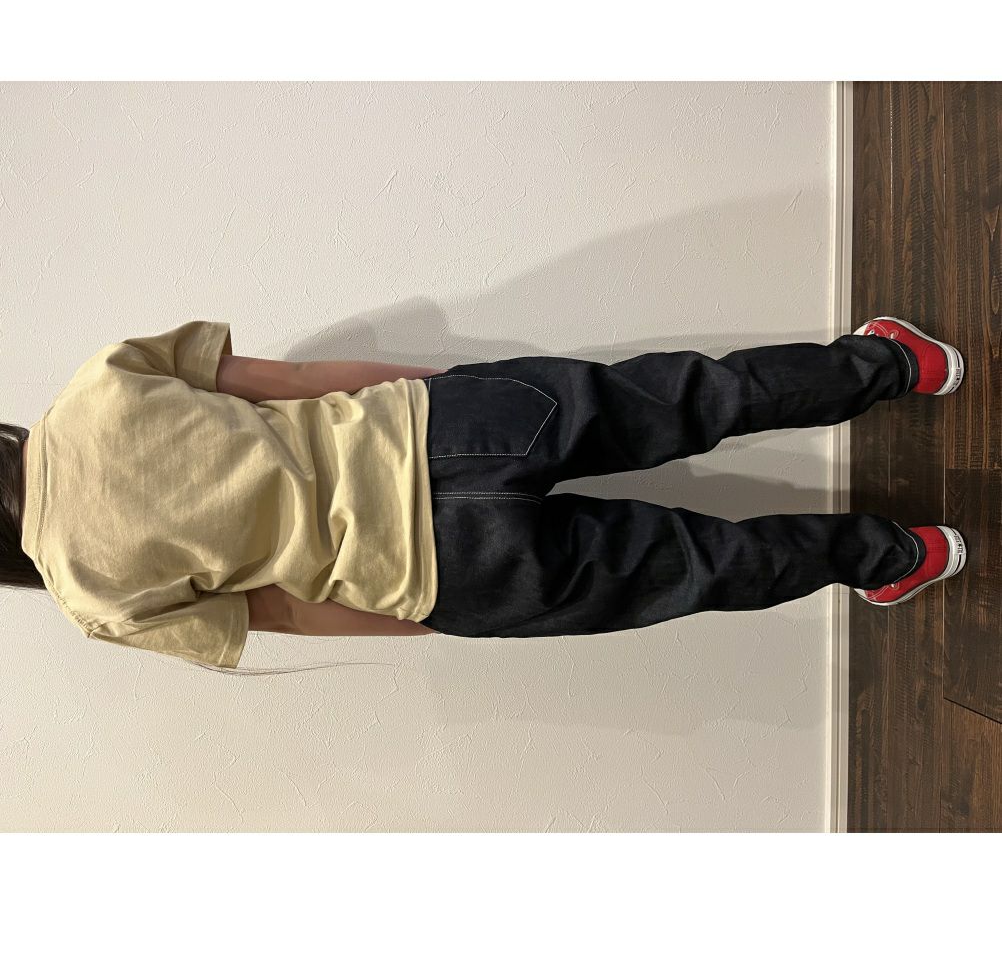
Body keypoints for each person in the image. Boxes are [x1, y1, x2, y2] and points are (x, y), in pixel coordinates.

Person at [2, 315, 966, 675]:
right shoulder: (98, 386)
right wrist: (431, 391)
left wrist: (422, 617)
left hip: (444, 568)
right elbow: (292, 384)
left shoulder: (93, 599)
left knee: (698, 566)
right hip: (437, 426)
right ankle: (897, 364)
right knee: (687, 398)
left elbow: (283, 609)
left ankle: (903, 555)